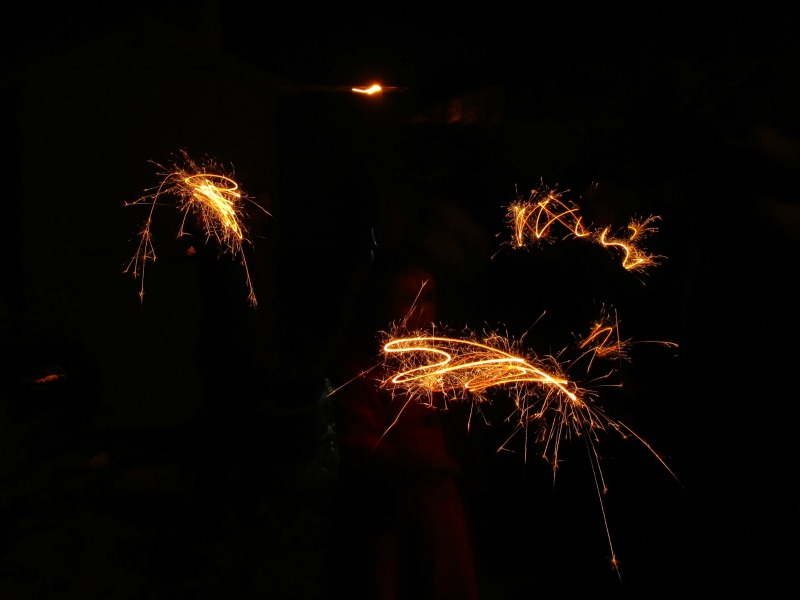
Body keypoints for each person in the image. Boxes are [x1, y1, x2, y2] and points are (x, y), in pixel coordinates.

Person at [327, 256, 480, 600]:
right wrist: (413, 463)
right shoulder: (361, 372)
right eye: (405, 299)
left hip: (441, 510)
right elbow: (358, 440)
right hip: (389, 513)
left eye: (428, 298)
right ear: (379, 303)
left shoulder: (440, 370)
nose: (420, 311)